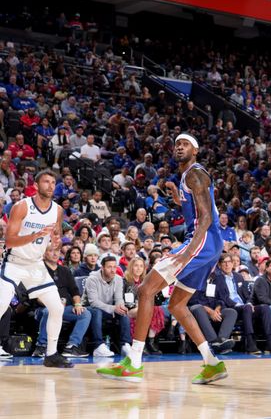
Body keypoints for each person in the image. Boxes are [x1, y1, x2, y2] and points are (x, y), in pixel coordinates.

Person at [97, 134, 228, 384]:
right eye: (177, 144)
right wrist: (179, 199)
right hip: (209, 244)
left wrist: (188, 252)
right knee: (176, 305)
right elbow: (197, 211)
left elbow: (207, 217)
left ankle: (134, 361)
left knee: (146, 289)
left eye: (185, 144)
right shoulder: (186, 178)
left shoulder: (194, 173)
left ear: (196, 150)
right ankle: (211, 363)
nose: (179, 147)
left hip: (201, 242)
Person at [0, 169, 71, 367]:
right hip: (14, 262)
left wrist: (55, 241)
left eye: (53, 182)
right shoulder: (22, 207)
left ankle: (51, 354)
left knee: (57, 307)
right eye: (46, 181)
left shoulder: (57, 210)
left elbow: (55, 235)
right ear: (36, 185)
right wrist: (35, 235)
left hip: (36, 265)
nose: (50, 185)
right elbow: (10, 241)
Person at [33, 244, 91, 358]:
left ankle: (72, 346)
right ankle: (41, 346)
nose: (55, 254)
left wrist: (78, 304)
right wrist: (53, 304)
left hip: (65, 308)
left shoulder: (65, 270)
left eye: (57, 251)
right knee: (48, 311)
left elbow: (75, 291)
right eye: (51, 251)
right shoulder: (38, 271)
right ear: (44, 254)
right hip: (44, 308)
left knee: (85, 314)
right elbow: (36, 296)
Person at [85, 255, 132, 357]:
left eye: (114, 267)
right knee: (97, 311)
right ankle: (98, 346)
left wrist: (120, 306)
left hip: (107, 310)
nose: (112, 270)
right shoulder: (92, 279)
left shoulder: (118, 279)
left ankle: (125, 345)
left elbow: (119, 298)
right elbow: (94, 302)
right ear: (102, 268)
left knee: (123, 312)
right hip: (89, 310)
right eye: (109, 267)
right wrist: (113, 308)